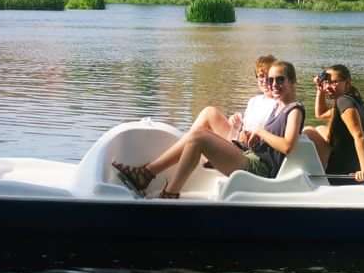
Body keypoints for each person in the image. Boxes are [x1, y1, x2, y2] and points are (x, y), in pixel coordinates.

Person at [113, 60, 305, 198]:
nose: (273, 85)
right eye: (271, 80)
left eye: (280, 80)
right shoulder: (280, 106)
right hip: (250, 155)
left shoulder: (294, 110)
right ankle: (149, 177)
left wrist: (261, 132)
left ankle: (168, 192)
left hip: (260, 169)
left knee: (199, 137)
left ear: (292, 81)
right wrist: (251, 134)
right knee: (200, 131)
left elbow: (288, 146)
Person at [303, 64, 364, 183]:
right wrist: (320, 90)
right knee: (320, 128)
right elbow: (320, 114)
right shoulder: (351, 99)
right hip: (353, 160)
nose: (329, 87)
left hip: (347, 170)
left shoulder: (343, 102)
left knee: (308, 131)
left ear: (347, 83)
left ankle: (318, 176)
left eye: (334, 82)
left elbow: (359, 136)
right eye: (327, 82)